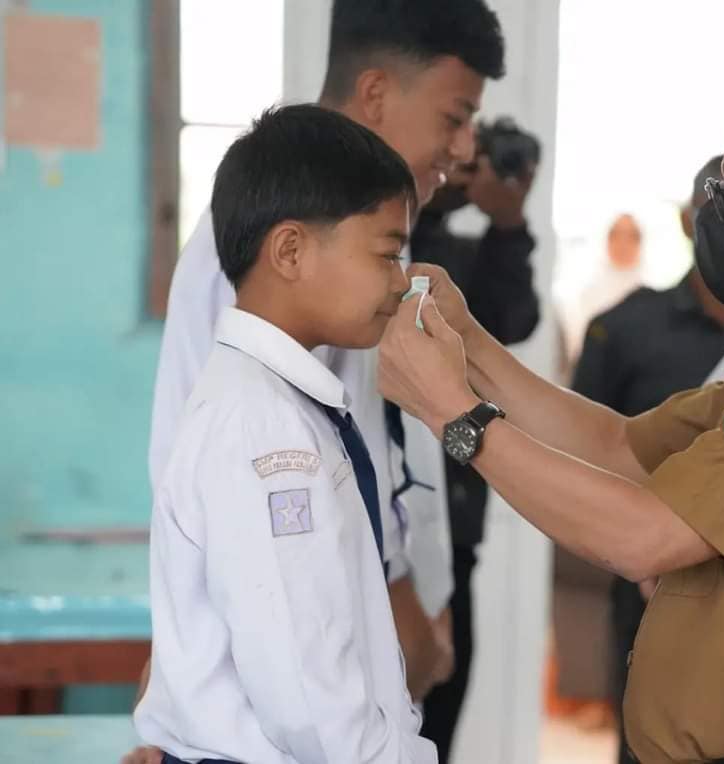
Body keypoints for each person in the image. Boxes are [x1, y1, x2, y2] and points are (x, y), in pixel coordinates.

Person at [379, 62, 724, 763]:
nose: (718, 209)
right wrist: (470, 343)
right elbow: (619, 446)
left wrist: (453, 415)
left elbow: (645, 537)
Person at [145, 0, 506, 710]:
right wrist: (397, 597)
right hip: (341, 637)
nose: (465, 149)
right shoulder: (272, 247)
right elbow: (229, 483)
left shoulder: (362, 228)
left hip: (394, 612)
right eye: (454, 117)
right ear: (375, 92)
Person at [133, 104, 433, 763]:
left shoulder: (279, 403)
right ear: (291, 250)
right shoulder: (264, 429)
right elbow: (306, 697)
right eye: (387, 254)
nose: (401, 280)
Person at [570, 154, 724, 764]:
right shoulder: (624, 328)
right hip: (646, 581)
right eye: (715, 212)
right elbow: (590, 449)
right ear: (688, 220)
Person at [407, 132, 541, 761]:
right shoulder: (393, 241)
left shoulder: (469, 258)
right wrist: (427, 202)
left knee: (440, 711)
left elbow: (514, 319)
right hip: (383, 519)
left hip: (454, 521)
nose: (459, 161)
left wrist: (508, 222)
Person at [558, 213, 645, 368]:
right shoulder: (587, 291)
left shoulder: (648, 295)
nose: (623, 243)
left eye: (632, 236)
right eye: (616, 235)